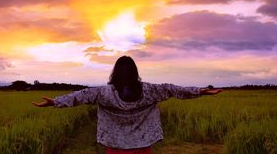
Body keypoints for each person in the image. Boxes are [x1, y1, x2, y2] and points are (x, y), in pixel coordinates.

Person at [32, 56, 222, 154]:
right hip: (142, 144)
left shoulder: (104, 92)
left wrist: (55, 102)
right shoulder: (149, 91)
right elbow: (172, 89)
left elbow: (80, 96)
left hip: (115, 146)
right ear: (135, 71)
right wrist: (200, 91)